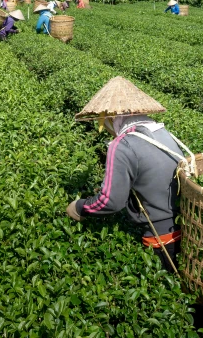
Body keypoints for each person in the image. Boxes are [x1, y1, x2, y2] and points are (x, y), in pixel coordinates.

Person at [67, 76, 190, 274]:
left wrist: (79, 207)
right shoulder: (162, 133)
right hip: (184, 226)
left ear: (111, 117)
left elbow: (109, 202)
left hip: (159, 238)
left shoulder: (123, 145)